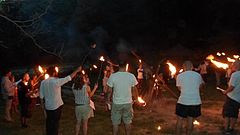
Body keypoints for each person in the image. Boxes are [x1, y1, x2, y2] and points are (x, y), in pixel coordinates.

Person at [40, 66, 82, 135]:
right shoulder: (56, 81)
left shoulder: (43, 82)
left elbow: (41, 96)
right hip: (56, 106)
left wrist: (43, 108)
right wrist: (77, 70)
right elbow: (69, 78)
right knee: (55, 123)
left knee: (49, 123)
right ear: (54, 73)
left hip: (48, 107)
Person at [107, 61, 138, 135]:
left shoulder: (113, 76)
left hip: (117, 103)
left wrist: (108, 100)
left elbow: (109, 91)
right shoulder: (131, 76)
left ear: (118, 66)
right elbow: (134, 89)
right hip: (127, 103)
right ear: (125, 66)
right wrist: (135, 99)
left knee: (115, 123)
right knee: (128, 122)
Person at [175, 61, 204, 135]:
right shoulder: (198, 75)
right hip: (195, 101)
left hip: (183, 101)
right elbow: (200, 86)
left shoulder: (179, 76)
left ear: (184, 67)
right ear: (192, 67)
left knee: (180, 120)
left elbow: (179, 88)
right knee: (190, 120)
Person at [222, 60, 240, 134]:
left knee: (227, 114)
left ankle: (226, 129)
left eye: (233, 64)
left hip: (232, 97)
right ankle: (231, 128)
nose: (232, 66)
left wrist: (225, 91)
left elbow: (232, 87)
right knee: (234, 114)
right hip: (238, 98)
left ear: (236, 65)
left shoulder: (235, 74)